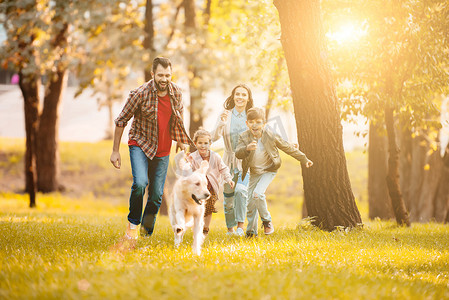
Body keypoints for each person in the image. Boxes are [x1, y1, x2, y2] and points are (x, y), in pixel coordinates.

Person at [110, 57, 192, 240]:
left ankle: (146, 232)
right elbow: (121, 121)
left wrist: (180, 138)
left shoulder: (176, 92)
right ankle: (132, 225)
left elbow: (179, 114)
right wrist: (115, 151)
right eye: (161, 75)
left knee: (156, 195)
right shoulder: (139, 93)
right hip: (140, 144)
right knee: (140, 183)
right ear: (153, 74)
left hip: (162, 149)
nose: (164, 79)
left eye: (168, 75)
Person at [235, 107, 313, 237]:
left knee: (258, 194)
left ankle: (267, 221)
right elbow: (238, 153)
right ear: (247, 123)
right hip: (254, 172)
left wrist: (303, 158)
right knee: (250, 204)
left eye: (258, 122)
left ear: (264, 124)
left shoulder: (270, 135)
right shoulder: (244, 136)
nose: (255, 125)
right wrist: (247, 149)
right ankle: (251, 232)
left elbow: (286, 147)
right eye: (252, 122)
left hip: (269, 170)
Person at [211, 84, 254, 236]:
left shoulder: (251, 116)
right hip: (228, 160)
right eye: (237, 94)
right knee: (228, 198)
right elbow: (214, 137)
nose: (240, 97)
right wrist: (221, 123)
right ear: (233, 96)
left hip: (245, 161)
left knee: (241, 191)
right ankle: (230, 229)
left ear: (248, 98)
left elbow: (261, 136)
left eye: (244, 94)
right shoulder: (226, 114)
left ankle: (241, 228)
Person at [185, 129, 235, 235]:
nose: (203, 146)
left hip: (211, 188)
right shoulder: (193, 157)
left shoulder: (215, 156)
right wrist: (188, 162)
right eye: (200, 143)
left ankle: (205, 229)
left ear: (210, 144)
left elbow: (223, 169)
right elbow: (188, 171)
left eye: (206, 143)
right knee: (198, 207)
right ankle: (198, 226)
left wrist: (229, 179)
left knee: (209, 207)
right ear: (195, 143)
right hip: (198, 189)